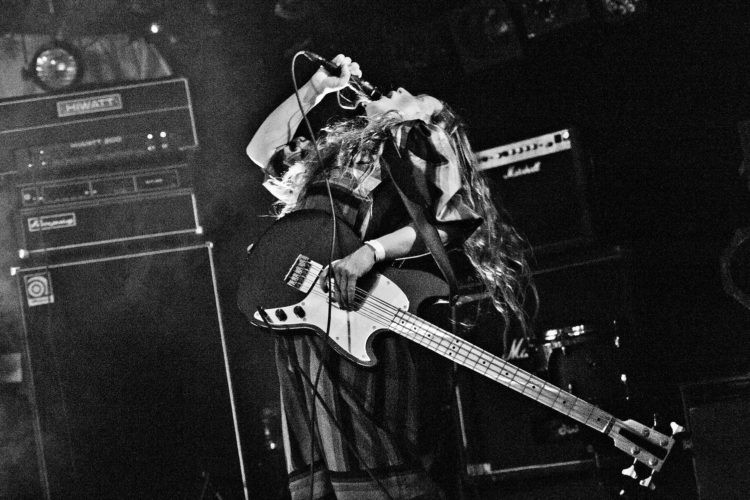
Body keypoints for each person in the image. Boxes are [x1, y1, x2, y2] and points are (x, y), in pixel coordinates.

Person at [246, 54, 534, 500]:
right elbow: (261, 150)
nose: (400, 90)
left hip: (358, 316)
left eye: (416, 96)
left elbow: (450, 222)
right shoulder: (339, 153)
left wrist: (369, 252)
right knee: (320, 468)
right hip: (303, 322)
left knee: (376, 467)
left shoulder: (418, 140)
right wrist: (316, 88)